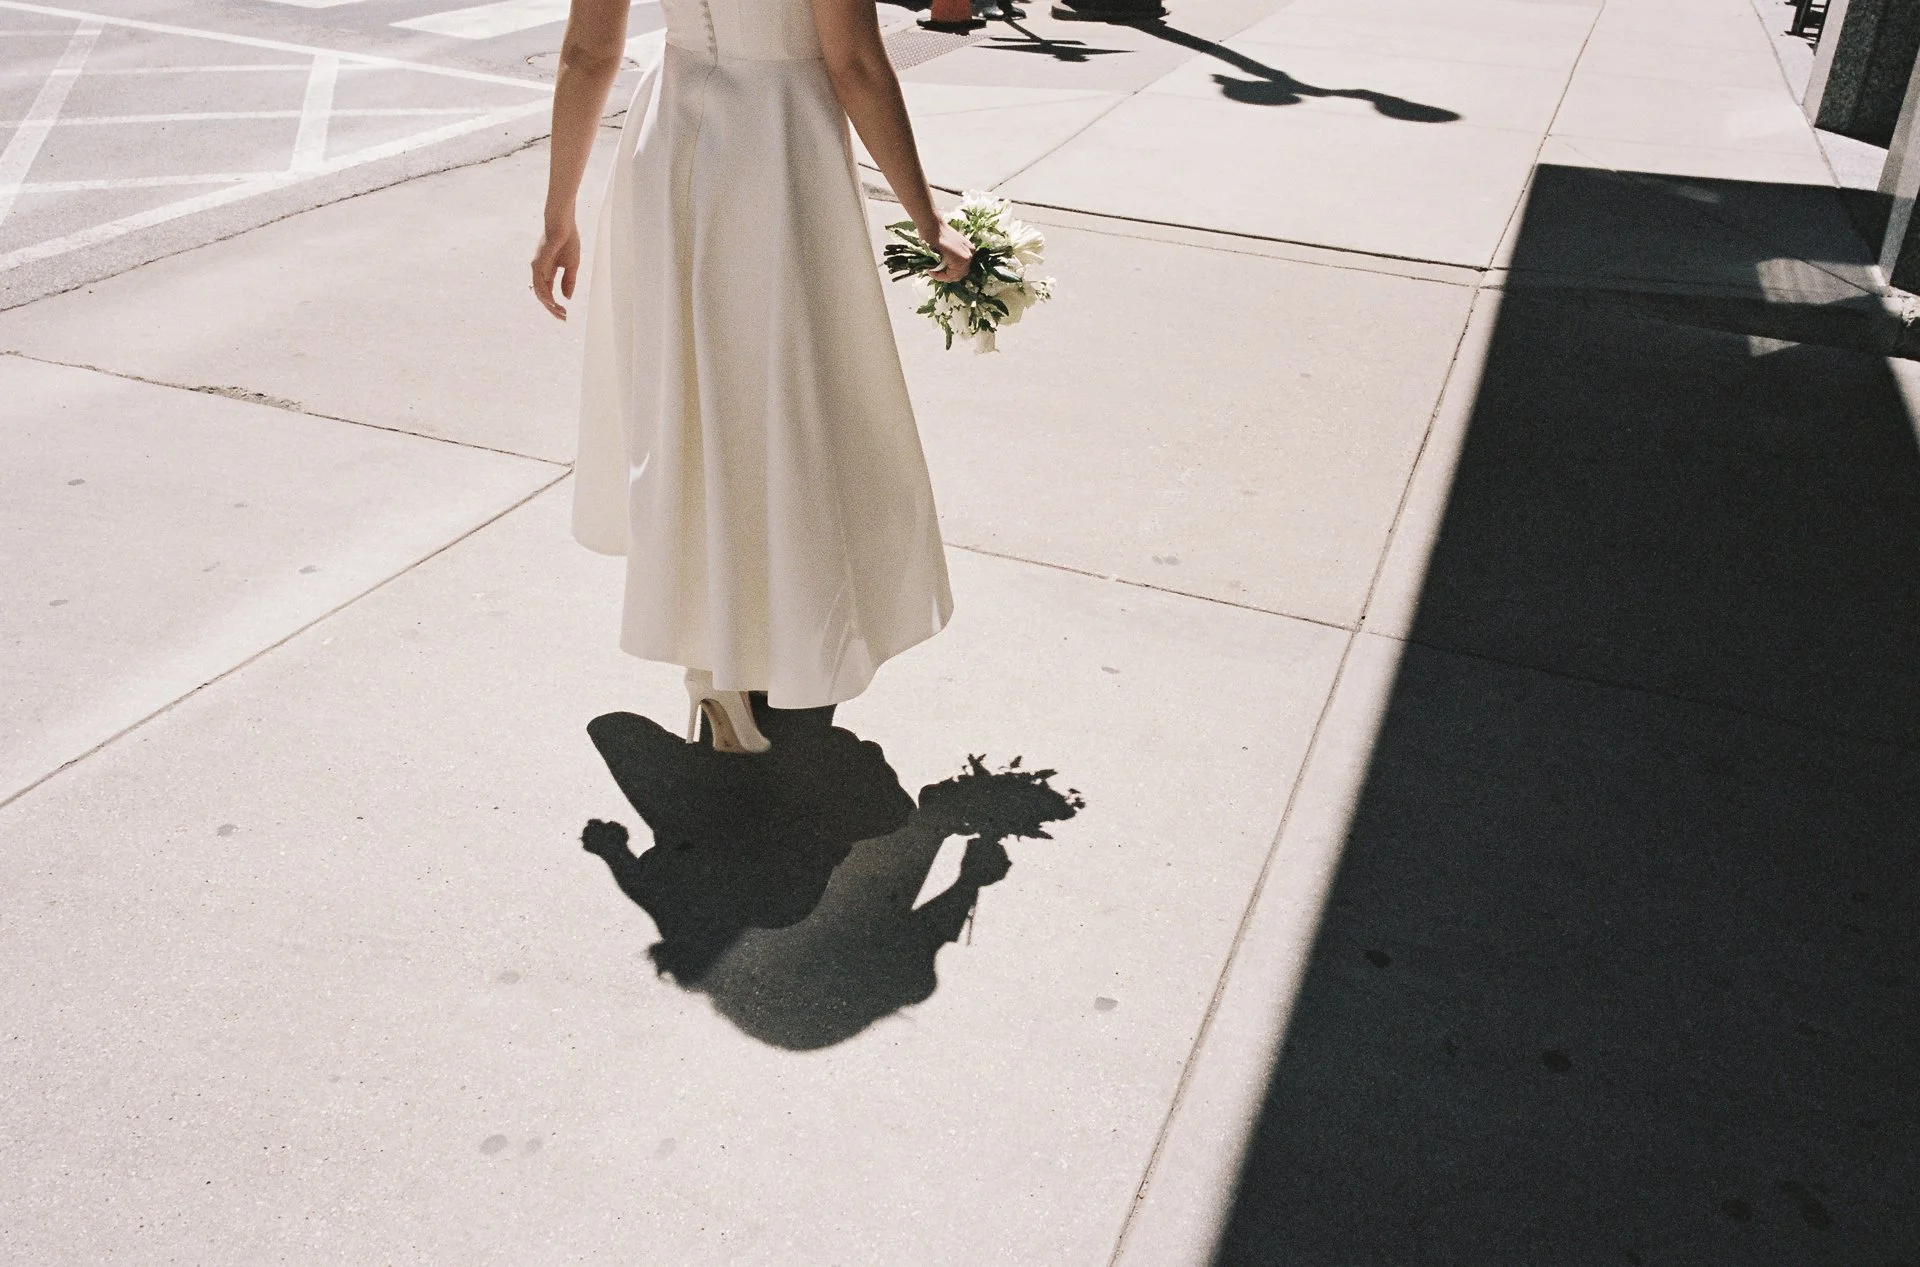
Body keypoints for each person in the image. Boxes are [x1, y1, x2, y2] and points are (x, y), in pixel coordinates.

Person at [532, 0, 972, 754]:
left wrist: (557, 216)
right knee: (786, 400)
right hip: (776, 148)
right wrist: (926, 216)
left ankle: (711, 659)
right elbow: (855, 64)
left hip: (669, 142)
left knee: (691, 400)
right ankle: (772, 636)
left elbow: (587, 54)